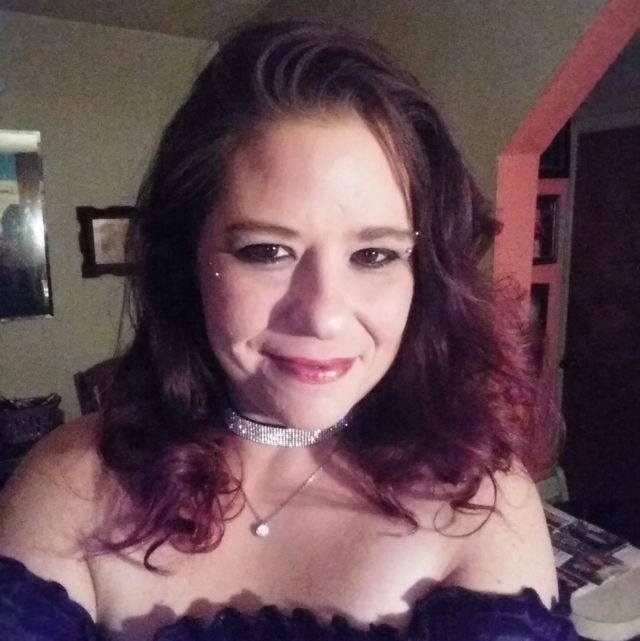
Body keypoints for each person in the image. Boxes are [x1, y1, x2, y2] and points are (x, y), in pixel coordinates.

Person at [0, 21, 576, 641]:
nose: (324, 315)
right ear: (186, 259)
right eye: (267, 251)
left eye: (374, 255)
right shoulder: (73, 484)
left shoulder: (481, 503)